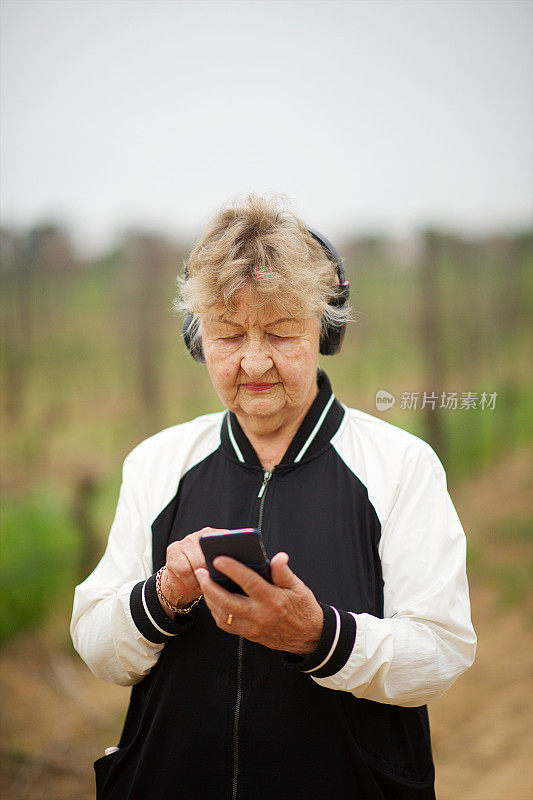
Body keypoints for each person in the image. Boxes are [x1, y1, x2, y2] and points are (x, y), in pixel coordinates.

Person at [70, 193, 476, 800]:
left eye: (283, 332)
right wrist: (164, 594)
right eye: (228, 335)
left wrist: (320, 638)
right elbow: (101, 649)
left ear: (324, 332)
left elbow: (442, 651)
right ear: (196, 337)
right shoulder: (156, 463)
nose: (254, 362)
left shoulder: (401, 466)